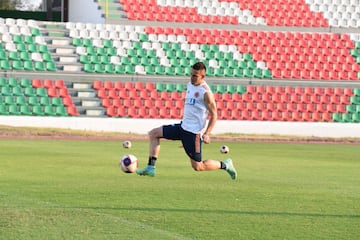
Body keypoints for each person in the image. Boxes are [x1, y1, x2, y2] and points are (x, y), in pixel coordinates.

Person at [136, 62, 237, 180]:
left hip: (193, 134)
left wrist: (207, 133)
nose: (192, 77)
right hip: (182, 128)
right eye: (191, 74)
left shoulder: (206, 93)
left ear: (203, 77)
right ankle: (150, 168)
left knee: (198, 166)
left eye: (195, 76)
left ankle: (225, 165)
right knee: (154, 133)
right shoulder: (190, 84)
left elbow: (214, 115)